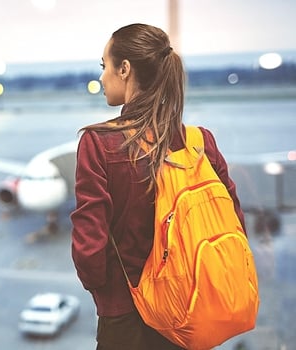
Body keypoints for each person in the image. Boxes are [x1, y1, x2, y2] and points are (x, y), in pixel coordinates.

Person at [70, 23, 246, 350]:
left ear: (124, 69)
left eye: (104, 66)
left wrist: (108, 296)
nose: (102, 77)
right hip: (190, 311)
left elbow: (89, 251)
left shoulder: (99, 143)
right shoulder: (199, 140)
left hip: (127, 315)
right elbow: (235, 219)